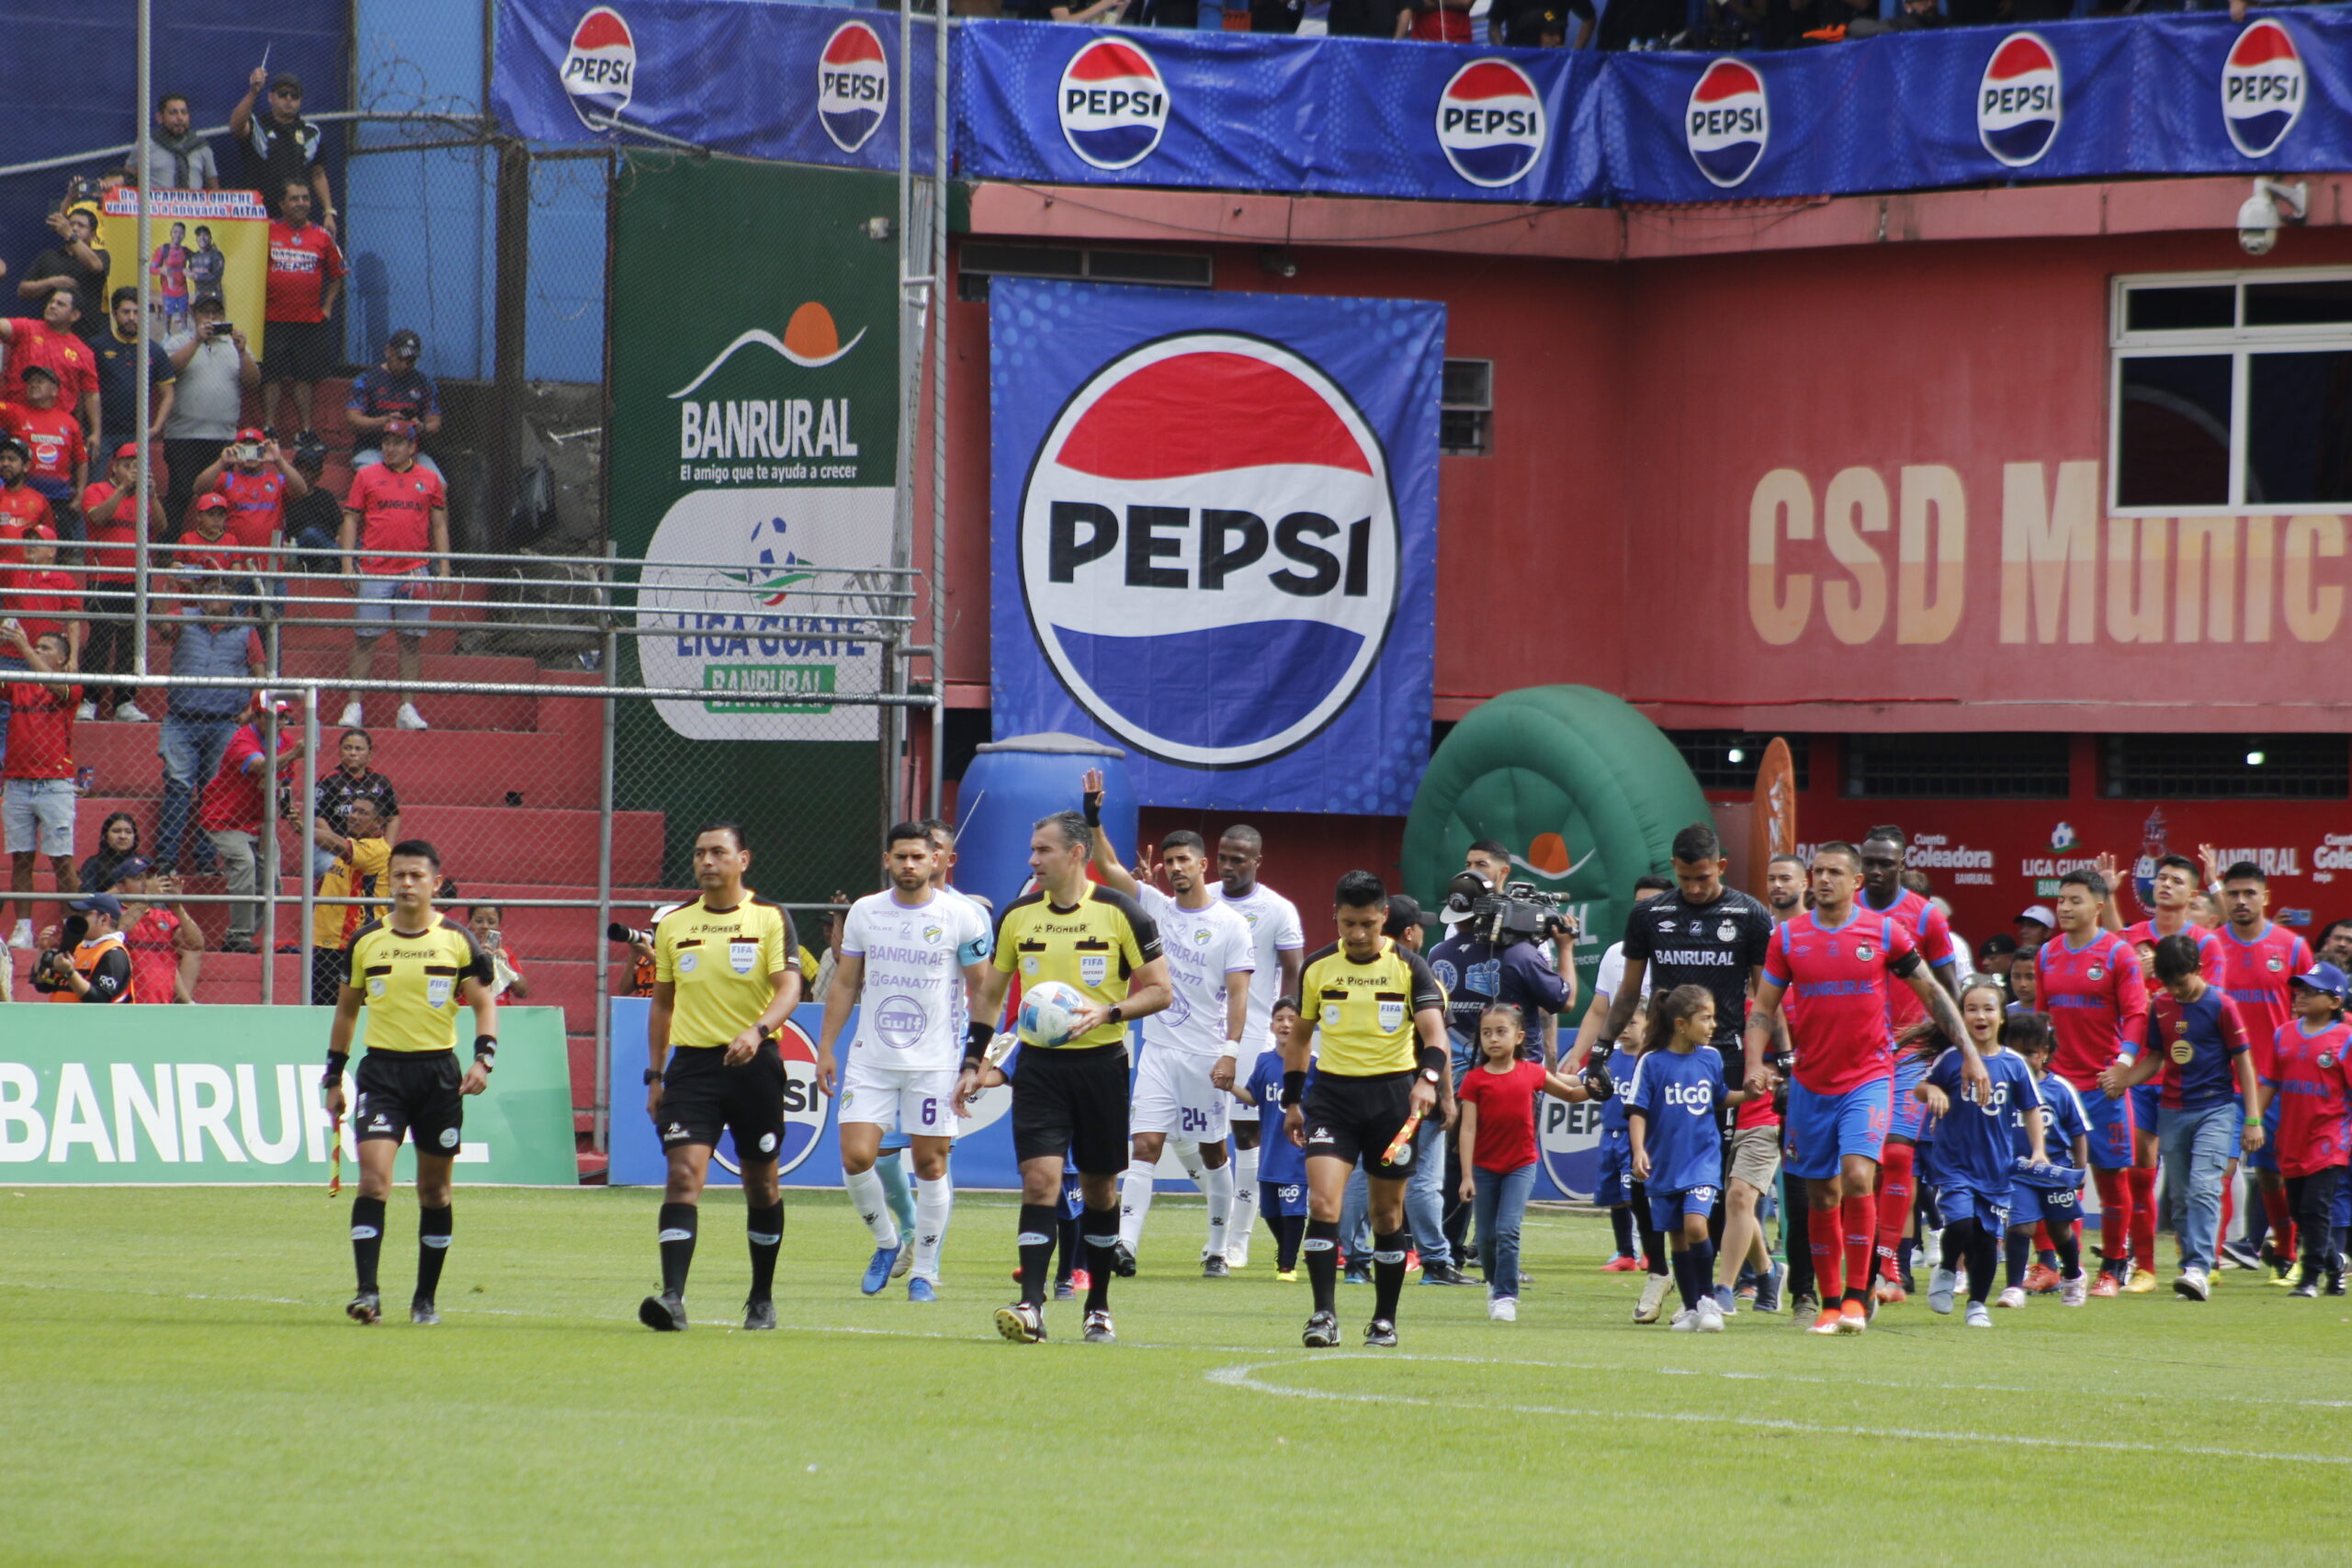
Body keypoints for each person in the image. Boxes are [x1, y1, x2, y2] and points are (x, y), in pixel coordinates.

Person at [1744, 840, 1980, 1335]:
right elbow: (1764, 1007)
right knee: (1822, 1194)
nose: (1823, 879)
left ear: (1855, 883)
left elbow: (1932, 992)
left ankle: (1857, 1295)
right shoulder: (1788, 939)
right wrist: (1753, 1064)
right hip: (1810, 1084)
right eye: (1818, 871)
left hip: (1870, 1080)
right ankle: (1830, 1304)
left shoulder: (1886, 933)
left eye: (1834, 872)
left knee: (1856, 1177)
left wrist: (1970, 1054)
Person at [956, 809, 1170, 1346]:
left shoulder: (1123, 913)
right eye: (1032, 850)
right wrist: (975, 1062)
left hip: (1102, 1067)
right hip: (1040, 1068)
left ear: (1076, 854)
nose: (1032, 860)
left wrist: (1109, 1013)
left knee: (1100, 1189)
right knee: (1040, 1182)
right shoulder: (1017, 916)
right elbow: (989, 995)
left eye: (1042, 851)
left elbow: (1161, 990)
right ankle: (1031, 1304)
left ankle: (1097, 1305)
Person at [1078, 777, 1253, 1278]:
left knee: (1213, 1150)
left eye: (1185, 862)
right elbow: (1109, 867)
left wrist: (1230, 1052)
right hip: (1157, 1049)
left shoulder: (1231, 925)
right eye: (1169, 862)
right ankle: (1124, 1245)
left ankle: (1218, 1248)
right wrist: (1092, 818)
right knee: (1145, 1146)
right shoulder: (1152, 906)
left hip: (1205, 1055)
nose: (1176, 869)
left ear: (1203, 866)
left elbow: (1239, 996)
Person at [322, 838, 495, 1325]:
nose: (406, 883)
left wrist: (483, 1060)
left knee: (434, 1193)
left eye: (417, 875)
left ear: (435, 883)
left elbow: (485, 1006)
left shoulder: (458, 941)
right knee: (374, 1181)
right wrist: (333, 1076)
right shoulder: (365, 941)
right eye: (398, 875)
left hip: (438, 1076)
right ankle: (368, 1293)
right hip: (382, 1075)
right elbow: (346, 1012)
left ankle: (425, 1300)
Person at [817, 822, 991, 1303]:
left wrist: (976, 1059)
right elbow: (846, 983)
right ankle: (888, 1242)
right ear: (887, 860)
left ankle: (926, 1272)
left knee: (929, 1164)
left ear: (935, 859)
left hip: (934, 1063)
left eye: (919, 856)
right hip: (871, 1059)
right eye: (902, 857)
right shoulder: (865, 912)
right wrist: (826, 1047)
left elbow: (984, 988)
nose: (910, 865)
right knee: (856, 1157)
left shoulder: (962, 916)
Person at [640, 823, 803, 1332]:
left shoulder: (770, 917)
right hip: (692, 1068)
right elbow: (662, 1004)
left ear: (743, 859)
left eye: (717, 852)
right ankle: (672, 1298)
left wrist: (758, 1032)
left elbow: (789, 988)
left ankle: (760, 1297)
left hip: (755, 1066)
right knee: (683, 1174)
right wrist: (654, 1075)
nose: (706, 861)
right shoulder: (674, 924)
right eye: (699, 854)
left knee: (761, 1183)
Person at [1279, 870, 1446, 1350]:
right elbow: (1301, 1038)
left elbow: (1435, 1037)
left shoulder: (1411, 968)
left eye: (1367, 924)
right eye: (1348, 923)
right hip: (1331, 1098)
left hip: (1393, 1101)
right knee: (1323, 1204)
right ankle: (1323, 1316)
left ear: (1384, 919)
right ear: (1335, 916)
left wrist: (1428, 1081)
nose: (1356, 934)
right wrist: (1293, 1101)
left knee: (1387, 1217)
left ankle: (1384, 1320)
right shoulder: (1317, 968)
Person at [2101, 932, 2263, 1301]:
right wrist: (2122, 1081)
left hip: (2216, 1109)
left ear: (2198, 969)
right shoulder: (2161, 1005)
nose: (2176, 991)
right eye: (2169, 985)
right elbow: (2156, 1059)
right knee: (2181, 1196)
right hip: (2172, 1111)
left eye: (2182, 983)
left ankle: (2199, 1269)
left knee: (2205, 1186)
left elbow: (2244, 1061)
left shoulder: (2222, 1005)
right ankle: (2192, 1265)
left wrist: (2252, 1119)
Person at [1855, 827, 1964, 1303]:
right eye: (1870, 862)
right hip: (1855, 1052)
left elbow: (1946, 989)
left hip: (1912, 1052)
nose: (1877, 871)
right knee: (1859, 1166)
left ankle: (1890, 1264)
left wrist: (1959, 1050)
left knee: (1899, 1156)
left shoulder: (1926, 918)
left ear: (1903, 865)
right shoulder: (1845, 910)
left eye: (1886, 863)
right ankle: (1860, 1263)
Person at [2034, 868, 2151, 1297]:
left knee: (2110, 1178)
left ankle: (2114, 1266)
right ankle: (2051, 1264)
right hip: (2059, 1088)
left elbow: (2137, 1015)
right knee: (2049, 1176)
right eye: (2061, 899)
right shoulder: (2047, 954)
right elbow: (2042, 1020)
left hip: (2104, 1086)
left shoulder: (2119, 955)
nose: (2064, 907)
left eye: (2074, 900)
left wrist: (2122, 1065)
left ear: (2098, 907)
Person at [2120, 853, 2227, 1280]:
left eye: (2176, 881)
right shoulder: (2128, 937)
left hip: (2190, 1077)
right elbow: (2121, 1001)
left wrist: (2158, 978)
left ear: (2192, 893)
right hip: (2143, 1069)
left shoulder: (2207, 943)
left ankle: (2197, 1262)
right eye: (2160, 878)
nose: (2165, 885)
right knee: (2139, 1171)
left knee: (2189, 1184)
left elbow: (2207, 1007)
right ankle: (2143, 1266)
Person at [2207, 852, 2313, 1279]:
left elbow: (2313, 1010)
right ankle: (2207, 1261)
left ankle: (2285, 1251)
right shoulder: (2210, 946)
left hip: (2278, 1082)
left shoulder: (2292, 947)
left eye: (2249, 893)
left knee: (2273, 1175)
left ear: (2265, 897)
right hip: (2224, 1080)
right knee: (2221, 1171)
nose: (2240, 901)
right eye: (2232, 893)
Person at [1566, 874, 1670, 1291]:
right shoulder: (1617, 954)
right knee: (1625, 1167)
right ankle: (1632, 1251)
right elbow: (1599, 1010)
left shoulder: (1683, 949)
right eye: (1638, 903)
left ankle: (1663, 1249)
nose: (1644, 912)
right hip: (1627, 1063)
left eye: (1653, 904)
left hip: (1670, 1070)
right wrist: (1581, 1054)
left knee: (1658, 1163)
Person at [1915, 1000, 2043, 1327]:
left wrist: (2038, 1150)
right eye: (1971, 1009)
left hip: (1995, 1167)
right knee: (1959, 1224)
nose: (1980, 1016)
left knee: (1986, 1239)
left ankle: (1976, 1305)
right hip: (1954, 1162)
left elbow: (2031, 1108)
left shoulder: (2014, 1064)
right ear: (1961, 1017)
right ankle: (1946, 1268)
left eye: (1988, 1009)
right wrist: (1933, 1091)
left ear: (2001, 1017)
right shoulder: (1951, 1059)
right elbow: (1921, 1086)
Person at [1456, 1003, 1588, 1321]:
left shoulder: (1531, 1072)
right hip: (1484, 1168)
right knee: (1485, 1236)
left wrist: (1596, 1090)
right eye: (1487, 1033)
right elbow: (1468, 1128)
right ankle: (1493, 1282)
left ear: (1518, 1037)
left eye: (1501, 1032)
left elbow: (1571, 1096)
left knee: (1508, 1229)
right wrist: (1466, 1176)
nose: (1493, 1039)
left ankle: (1505, 1295)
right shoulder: (1474, 1080)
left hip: (1521, 1164)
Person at [1630, 985, 1741, 1332]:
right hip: (1665, 1162)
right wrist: (1638, 1150)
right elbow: (1637, 1110)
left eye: (1713, 1018)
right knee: (1677, 1236)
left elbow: (1719, 1098)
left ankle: (1708, 1300)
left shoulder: (1710, 1057)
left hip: (1702, 1160)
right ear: (1681, 1024)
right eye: (1705, 1018)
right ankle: (1692, 1308)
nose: (1712, 1026)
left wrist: (1749, 1094)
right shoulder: (1652, 1062)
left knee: (1696, 1225)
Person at [339, 419, 447, 732]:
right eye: (386, 442)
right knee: (364, 639)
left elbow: (439, 525)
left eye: (397, 442)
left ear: (412, 446)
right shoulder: (366, 475)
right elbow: (350, 521)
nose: (390, 448)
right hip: (374, 568)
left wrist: (444, 569)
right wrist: (348, 564)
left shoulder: (429, 480)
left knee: (411, 641)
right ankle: (354, 705)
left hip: (414, 569)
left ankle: (407, 707)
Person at [2256, 963, 2352, 1298]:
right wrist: (2254, 1120)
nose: (2301, 996)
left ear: (2334, 1002)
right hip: (2292, 1138)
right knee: (2298, 1210)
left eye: (2312, 991)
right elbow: (2269, 1082)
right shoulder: (2284, 1033)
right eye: (2300, 989)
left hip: (2329, 1140)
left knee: (2315, 1207)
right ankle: (2334, 1262)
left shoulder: (2346, 1038)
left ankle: (2309, 1278)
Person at [155, 595, 264, 872]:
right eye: (208, 591)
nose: (213, 600)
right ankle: (167, 860)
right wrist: (165, 589)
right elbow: (159, 625)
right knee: (178, 786)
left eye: (220, 593)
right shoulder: (184, 617)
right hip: (181, 718)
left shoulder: (246, 630)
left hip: (224, 722)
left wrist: (251, 710)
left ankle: (205, 860)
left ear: (231, 599)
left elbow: (259, 672)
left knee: (213, 791)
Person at [194, 703, 305, 953]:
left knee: (272, 883)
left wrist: (285, 811)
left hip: (260, 820)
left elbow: (284, 781)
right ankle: (238, 937)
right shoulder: (241, 740)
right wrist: (295, 755)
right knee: (245, 864)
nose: (280, 723)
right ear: (256, 717)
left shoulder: (284, 741)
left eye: (284, 717)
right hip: (224, 818)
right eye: (273, 717)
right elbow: (262, 766)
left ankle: (243, 937)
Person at [4, 626, 80, 951]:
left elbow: (55, 685)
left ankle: (70, 928)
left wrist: (22, 646)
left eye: (45, 647)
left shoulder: (72, 684)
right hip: (18, 782)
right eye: (36, 645)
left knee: (62, 859)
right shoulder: (18, 684)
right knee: (21, 858)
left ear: (62, 658)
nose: (37, 649)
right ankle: (23, 928)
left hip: (55, 783)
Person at [76, 442, 162, 721]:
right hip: (104, 577)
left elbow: (161, 527)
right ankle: (89, 699)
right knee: (100, 641)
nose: (132, 471)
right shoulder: (96, 490)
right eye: (128, 465)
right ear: (115, 466)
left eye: (138, 467)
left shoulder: (145, 496)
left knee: (131, 643)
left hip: (137, 580)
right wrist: (124, 489)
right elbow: (98, 517)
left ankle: (125, 702)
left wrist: (153, 495)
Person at [2010, 1018, 2090, 1305]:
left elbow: (2079, 1132)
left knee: (2059, 1230)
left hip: (2055, 1172)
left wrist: (2080, 1169)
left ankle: (2072, 1273)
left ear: (2044, 1052)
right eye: (2016, 1053)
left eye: (2030, 1053)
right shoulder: (2005, 1088)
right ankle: (2013, 1288)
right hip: (2018, 1172)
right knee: (2021, 1226)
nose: (2023, 1060)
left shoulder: (2060, 1089)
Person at [259, 182, 345, 440]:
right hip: (272, 319)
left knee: (304, 378)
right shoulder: (266, 231)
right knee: (271, 376)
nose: (301, 203)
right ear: (282, 204)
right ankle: (268, 428)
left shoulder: (322, 235)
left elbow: (338, 274)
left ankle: (306, 430)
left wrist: (327, 307)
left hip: (309, 322)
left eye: (306, 198)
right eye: (294, 198)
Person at [163, 294, 257, 524]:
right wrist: (196, 340)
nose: (211, 318)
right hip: (183, 435)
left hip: (223, 436)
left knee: (221, 496)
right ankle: (167, 550)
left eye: (217, 313)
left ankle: (220, 548)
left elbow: (253, 381)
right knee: (182, 493)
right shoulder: (178, 341)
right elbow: (167, 370)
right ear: (194, 316)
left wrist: (242, 352)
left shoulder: (234, 345)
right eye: (205, 313)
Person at [1236, 997, 1310, 1280]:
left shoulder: (1311, 1064)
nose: (1286, 1024)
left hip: (1296, 1152)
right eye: (1280, 1019)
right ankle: (1286, 1250)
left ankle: (1288, 1265)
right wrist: (1230, 1086)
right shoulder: (1265, 1061)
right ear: (1271, 1025)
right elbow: (1254, 1097)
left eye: (1292, 1019)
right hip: (1269, 1152)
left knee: (1293, 1209)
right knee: (1269, 1211)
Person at [194, 430, 309, 590]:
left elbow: (301, 490)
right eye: (244, 449)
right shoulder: (227, 478)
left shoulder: (276, 480)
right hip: (236, 567)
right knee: (236, 614)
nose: (250, 454)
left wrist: (278, 460)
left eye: (255, 449)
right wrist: (222, 462)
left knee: (272, 614)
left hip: (271, 568)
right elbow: (199, 488)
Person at [309, 795, 390, 1004]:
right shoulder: (350, 848)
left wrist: (305, 829)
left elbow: (339, 846)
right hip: (326, 943)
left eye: (363, 813)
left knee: (353, 1008)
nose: (354, 816)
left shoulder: (378, 849)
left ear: (379, 822)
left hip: (353, 943)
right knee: (321, 1008)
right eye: (353, 811)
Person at [232, 69, 334, 236]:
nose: (288, 99)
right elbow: (236, 127)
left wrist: (329, 212)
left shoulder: (311, 133)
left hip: (296, 220)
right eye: (283, 94)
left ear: (300, 101)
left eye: (294, 96)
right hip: (259, 218)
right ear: (271, 97)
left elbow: (318, 175)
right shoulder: (257, 126)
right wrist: (253, 92)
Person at [3, 366, 88, 541]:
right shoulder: (15, 412)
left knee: (57, 547)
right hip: (21, 496)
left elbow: (81, 461)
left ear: (55, 390)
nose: (33, 385)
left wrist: (79, 496)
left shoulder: (69, 422)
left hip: (57, 499)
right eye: (30, 382)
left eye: (40, 382)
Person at [90, 289, 175, 461]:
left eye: (137, 312)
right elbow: (87, 392)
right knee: (96, 485)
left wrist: (156, 428)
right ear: (114, 314)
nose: (131, 318)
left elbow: (168, 394)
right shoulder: (97, 346)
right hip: (103, 434)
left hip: (137, 435)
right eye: (126, 312)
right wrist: (94, 431)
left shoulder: (155, 351)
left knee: (137, 485)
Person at [346, 331, 445, 476]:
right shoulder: (367, 380)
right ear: (388, 352)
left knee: (438, 483)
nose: (405, 365)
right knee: (378, 481)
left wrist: (420, 427)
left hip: (411, 452)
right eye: (400, 359)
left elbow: (435, 423)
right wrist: (385, 422)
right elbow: (352, 420)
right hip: (373, 448)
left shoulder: (425, 384)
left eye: (410, 361)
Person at [0, 290, 100, 429]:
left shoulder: (84, 352)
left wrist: (96, 432)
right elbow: (3, 326)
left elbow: (90, 394)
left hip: (55, 425)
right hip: (14, 417)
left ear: (75, 315)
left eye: (60, 304)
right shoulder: (28, 328)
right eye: (51, 302)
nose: (52, 306)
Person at [18, 208, 110, 342]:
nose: (74, 228)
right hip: (49, 336)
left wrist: (70, 235)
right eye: (71, 224)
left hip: (86, 336)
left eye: (81, 225)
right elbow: (23, 290)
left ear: (92, 234)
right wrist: (51, 282)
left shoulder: (100, 255)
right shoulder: (49, 256)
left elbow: (95, 266)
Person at [29, 891, 135, 1002]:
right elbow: (46, 984)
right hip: (65, 1018)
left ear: (104, 919)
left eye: (84, 914)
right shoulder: (78, 947)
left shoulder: (114, 954)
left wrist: (69, 973)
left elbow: (99, 999)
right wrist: (42, 951)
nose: (78, 918)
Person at [121, 862, 201, 1003]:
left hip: (161, 1003)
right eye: (138, 878)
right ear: (121, 886)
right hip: (127, 1003)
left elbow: (195, 944)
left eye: (149, 877)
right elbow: (120, 931)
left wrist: (177, 906)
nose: (146, 883)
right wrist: (148, 897)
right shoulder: (112, 914)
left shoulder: (163, 916)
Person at [125, 93, 220, 191]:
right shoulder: (146, 145)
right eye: (173, 113)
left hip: (192, 205)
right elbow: (128, 176)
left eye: (184, 112)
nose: (180, 118)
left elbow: (213, 188)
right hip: (155, 205)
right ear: (160, 118)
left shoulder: (202, 147)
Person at [468, 905, 528, 1005]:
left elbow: (523, 993)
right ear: (470, 923)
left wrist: (506, 966)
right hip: (469, 1011)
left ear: (498, 925)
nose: (485, 926)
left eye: (491, 922)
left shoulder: (505, 953)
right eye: (479, 921)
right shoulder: (461, 950)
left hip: (501, 1012)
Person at [148, 222, 191, 339]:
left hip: (182, 287)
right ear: (171, 233)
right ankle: (167, 334)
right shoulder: (163, 250)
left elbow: (197, 259)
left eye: (181, 233)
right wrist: (162, 270)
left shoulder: (186, 251)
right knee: (168, 313)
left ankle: (185, 331)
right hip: (168, 288)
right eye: (176, 232)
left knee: (184, 311)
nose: (178, 235)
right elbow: (151, 268)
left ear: (184, 235)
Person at [79, 812, 140, 894]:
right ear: (106, 836)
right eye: (116, 831)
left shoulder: (143, 862)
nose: (123, 836)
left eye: (128, 832)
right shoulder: (93, 864)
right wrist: (113, 892)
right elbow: (86, 899)